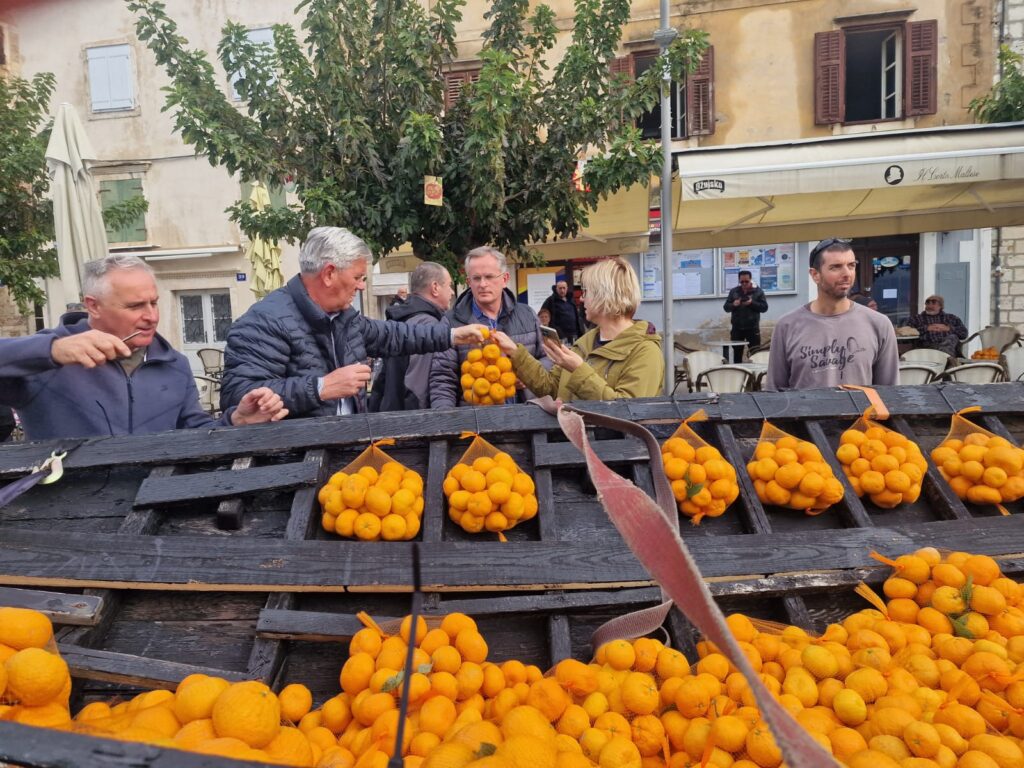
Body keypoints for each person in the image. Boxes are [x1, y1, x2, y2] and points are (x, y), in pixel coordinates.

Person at [0, 255, 288, 441]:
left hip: (151, 508)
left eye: (154, 302)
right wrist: (51, 351)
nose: (151, 316)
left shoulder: (173, 364)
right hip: (62, 512)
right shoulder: (48, 358)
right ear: (93, 306)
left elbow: (194, 436)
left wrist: (236, 421)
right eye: (135, 306)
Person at [221, 227, 486, 418]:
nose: (361, 286)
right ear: (329, 274)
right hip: (291, 464)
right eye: (358, 277)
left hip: (345, 453)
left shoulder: (344, 319)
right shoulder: (263, 322)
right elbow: (240, 397)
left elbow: (395, 335)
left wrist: (452, 336)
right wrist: (321, 387)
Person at [492, 257, 664, 401]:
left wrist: (578, 370)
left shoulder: (645, 351)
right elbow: (550, 388)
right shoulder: (585, 342)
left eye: (586, 292)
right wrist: (515, 352)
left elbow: (628, 413)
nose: (581, 298)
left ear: (605, 295)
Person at [765, 238, 898, 391]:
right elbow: (774, 393)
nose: (847, 274)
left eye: (851, 265)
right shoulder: (787, 326)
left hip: (863, 408)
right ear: (815, 274)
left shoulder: (879, 324)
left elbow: (890, 394)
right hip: (802, 407)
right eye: (836, 267)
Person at [429, 246, 545, 407]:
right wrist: (446, 419)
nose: (483, 284)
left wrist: (529, 374)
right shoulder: (451, 322)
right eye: (476, 278)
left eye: (489, 277)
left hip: (525, 414)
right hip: (475, 418)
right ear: (469, 282)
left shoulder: (528, 315)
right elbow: (442, 379)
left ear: (505, 279)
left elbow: (548, 359)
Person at [369, 262, 454, 411]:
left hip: (390, 413)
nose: (452, 292)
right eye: (449, 285)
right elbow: (417, 389)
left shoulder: (399, 319)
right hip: (411, 419)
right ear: (435, 288)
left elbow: (381, 379)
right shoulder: (428, 326)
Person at [722, 270, 768, 362]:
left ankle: (755, 371)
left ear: (750, 280)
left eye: (746, 281)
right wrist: (733, 304)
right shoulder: (734, 291)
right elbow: (726, 307)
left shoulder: (758, 291)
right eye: (742, 281)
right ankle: (737, 370)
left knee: (755, 354)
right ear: (739, 280)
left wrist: (752, 303)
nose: (744, 284)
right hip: (737, 329)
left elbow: (764, 308)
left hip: (752, 328)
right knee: (737, 354)